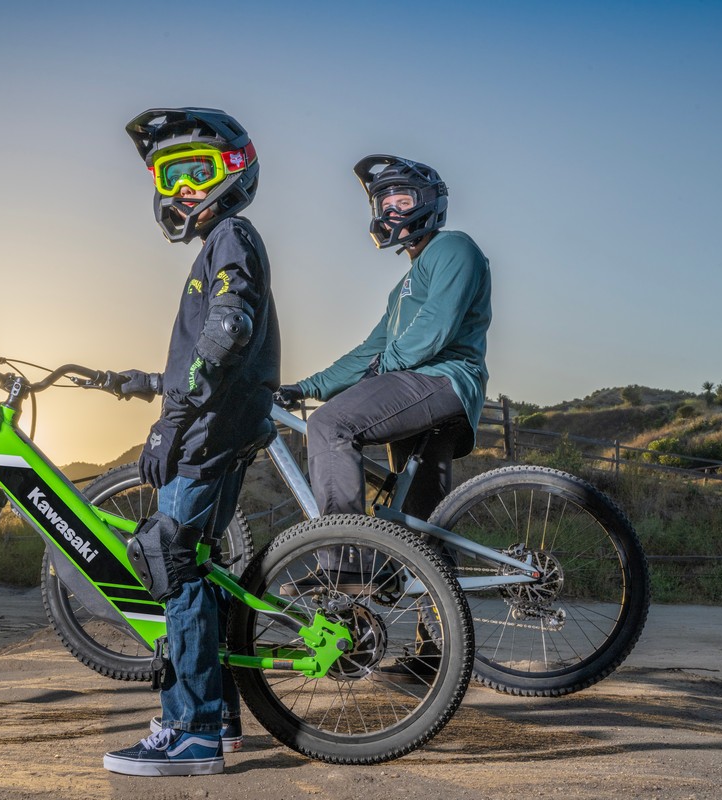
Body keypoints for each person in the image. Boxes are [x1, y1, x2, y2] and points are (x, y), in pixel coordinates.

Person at [100, 107, 279, 777]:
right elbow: (207, 352)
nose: (181, 189)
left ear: (232, 170)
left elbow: (228, 333)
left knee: (170, 561)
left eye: (196, 171)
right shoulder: (223, 244)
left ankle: (191, 730)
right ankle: (221, 719)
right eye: (168, 175)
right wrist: (149, 383)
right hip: (218, 424)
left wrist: (169, 422)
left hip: (207, 433)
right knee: (194, 565)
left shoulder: (230, 236)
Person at [275, 154, 491, 588]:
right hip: (420, 391)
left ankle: (346, 562)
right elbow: (370, 351)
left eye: (401, 201)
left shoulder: (454, 248)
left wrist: (382, 368)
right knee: (421, 527)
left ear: (428, 202)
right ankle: (437, 628)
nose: (391, 211)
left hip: (440, 379)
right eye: (383, 204)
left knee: (330, 425)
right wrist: (305, 387)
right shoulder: (401, 290)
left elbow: (434, 327)